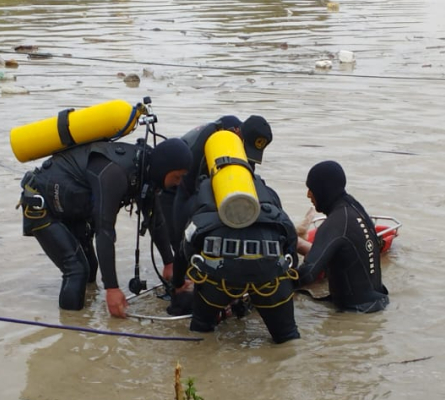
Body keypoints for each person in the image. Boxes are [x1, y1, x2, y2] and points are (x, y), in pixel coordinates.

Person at [19, 137, 191, 318]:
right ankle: (70, 328)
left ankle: (85, 316)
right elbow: (105, 231)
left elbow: (155, 219)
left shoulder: (144, 173)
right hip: (41, 205)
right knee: (77, 270)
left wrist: (169, 263)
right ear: (163, 168)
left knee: (90, 268)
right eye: (177, 177)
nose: (179, 183)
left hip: (72, 206)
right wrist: (112, 288)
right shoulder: (115, 174)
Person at [170, 140, 300, 343]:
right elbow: (288, 236)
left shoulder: (202, 194)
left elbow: (184, 246)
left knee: (201, 333)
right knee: (288, 338)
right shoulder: (266, 191)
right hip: (269, 276)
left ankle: (200, 360)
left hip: (218, 279)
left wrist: (178, 283)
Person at [163, 114, 273, 269]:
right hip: (174, 183)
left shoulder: (241, 139)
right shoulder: (204, 144)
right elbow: (185, 194)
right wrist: (181, 250)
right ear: (237, 132)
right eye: (245, 148)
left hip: (201, 175)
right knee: (180, 239)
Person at [296, 160, 389, 313]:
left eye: (311, 189)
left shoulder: (335, 223)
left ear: (323, 190)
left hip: (355, 313)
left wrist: (275, 281)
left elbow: (308, 273)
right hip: (378, 303)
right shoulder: (355, 208)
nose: (308, 194)